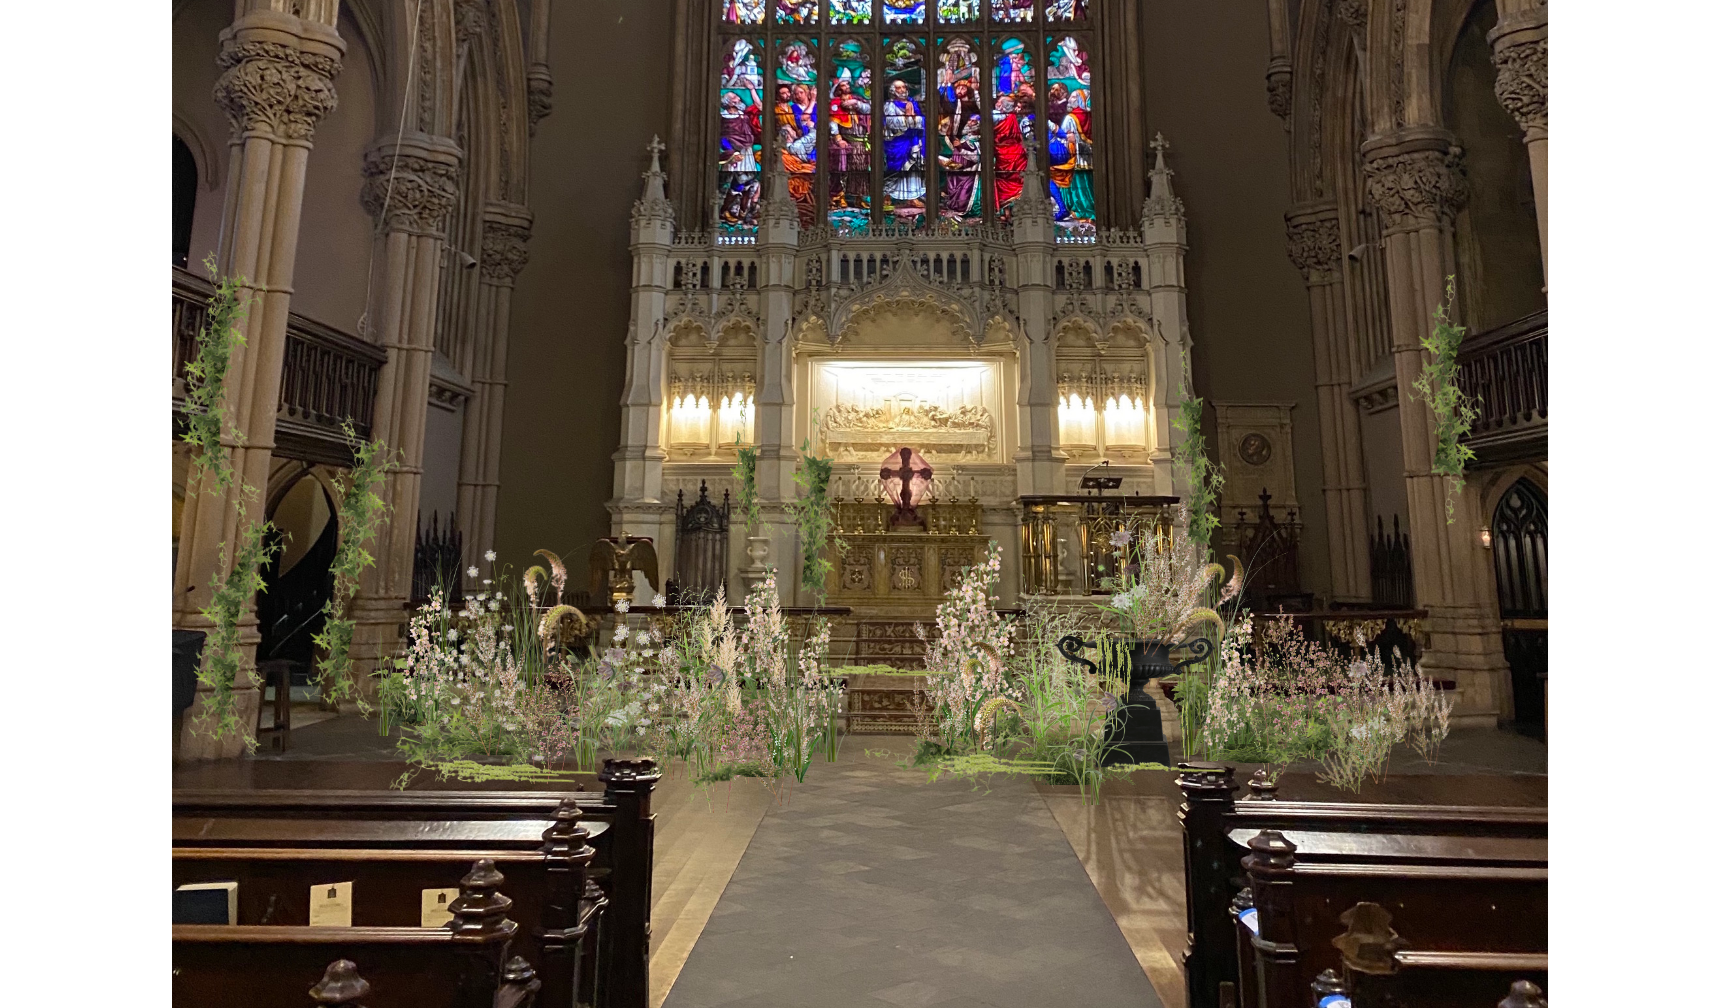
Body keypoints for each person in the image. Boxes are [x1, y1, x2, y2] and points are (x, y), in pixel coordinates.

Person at [882, 79, 926, 210]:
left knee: (913, 168)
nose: (902, 90)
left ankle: (912, 197)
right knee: (895, 168)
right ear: (893, 91)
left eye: (903, 87)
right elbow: (890, 122)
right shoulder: (890, 105)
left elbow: (922, 120)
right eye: (898, 88)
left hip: (912, 139)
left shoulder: (913, 102)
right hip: (897, 141)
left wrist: (913, 117)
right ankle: (886, 195)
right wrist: (907, 117)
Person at [991, 94, 1026, 215]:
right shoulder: (1013, 117)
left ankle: (1009, 212)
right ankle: (1010, 212)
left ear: (1001, 106)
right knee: (1016, 181)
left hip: (1004, 153)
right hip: (1016, 153)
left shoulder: (996, 116)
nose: (997, 103)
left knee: (1007, 181)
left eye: (999, 102)